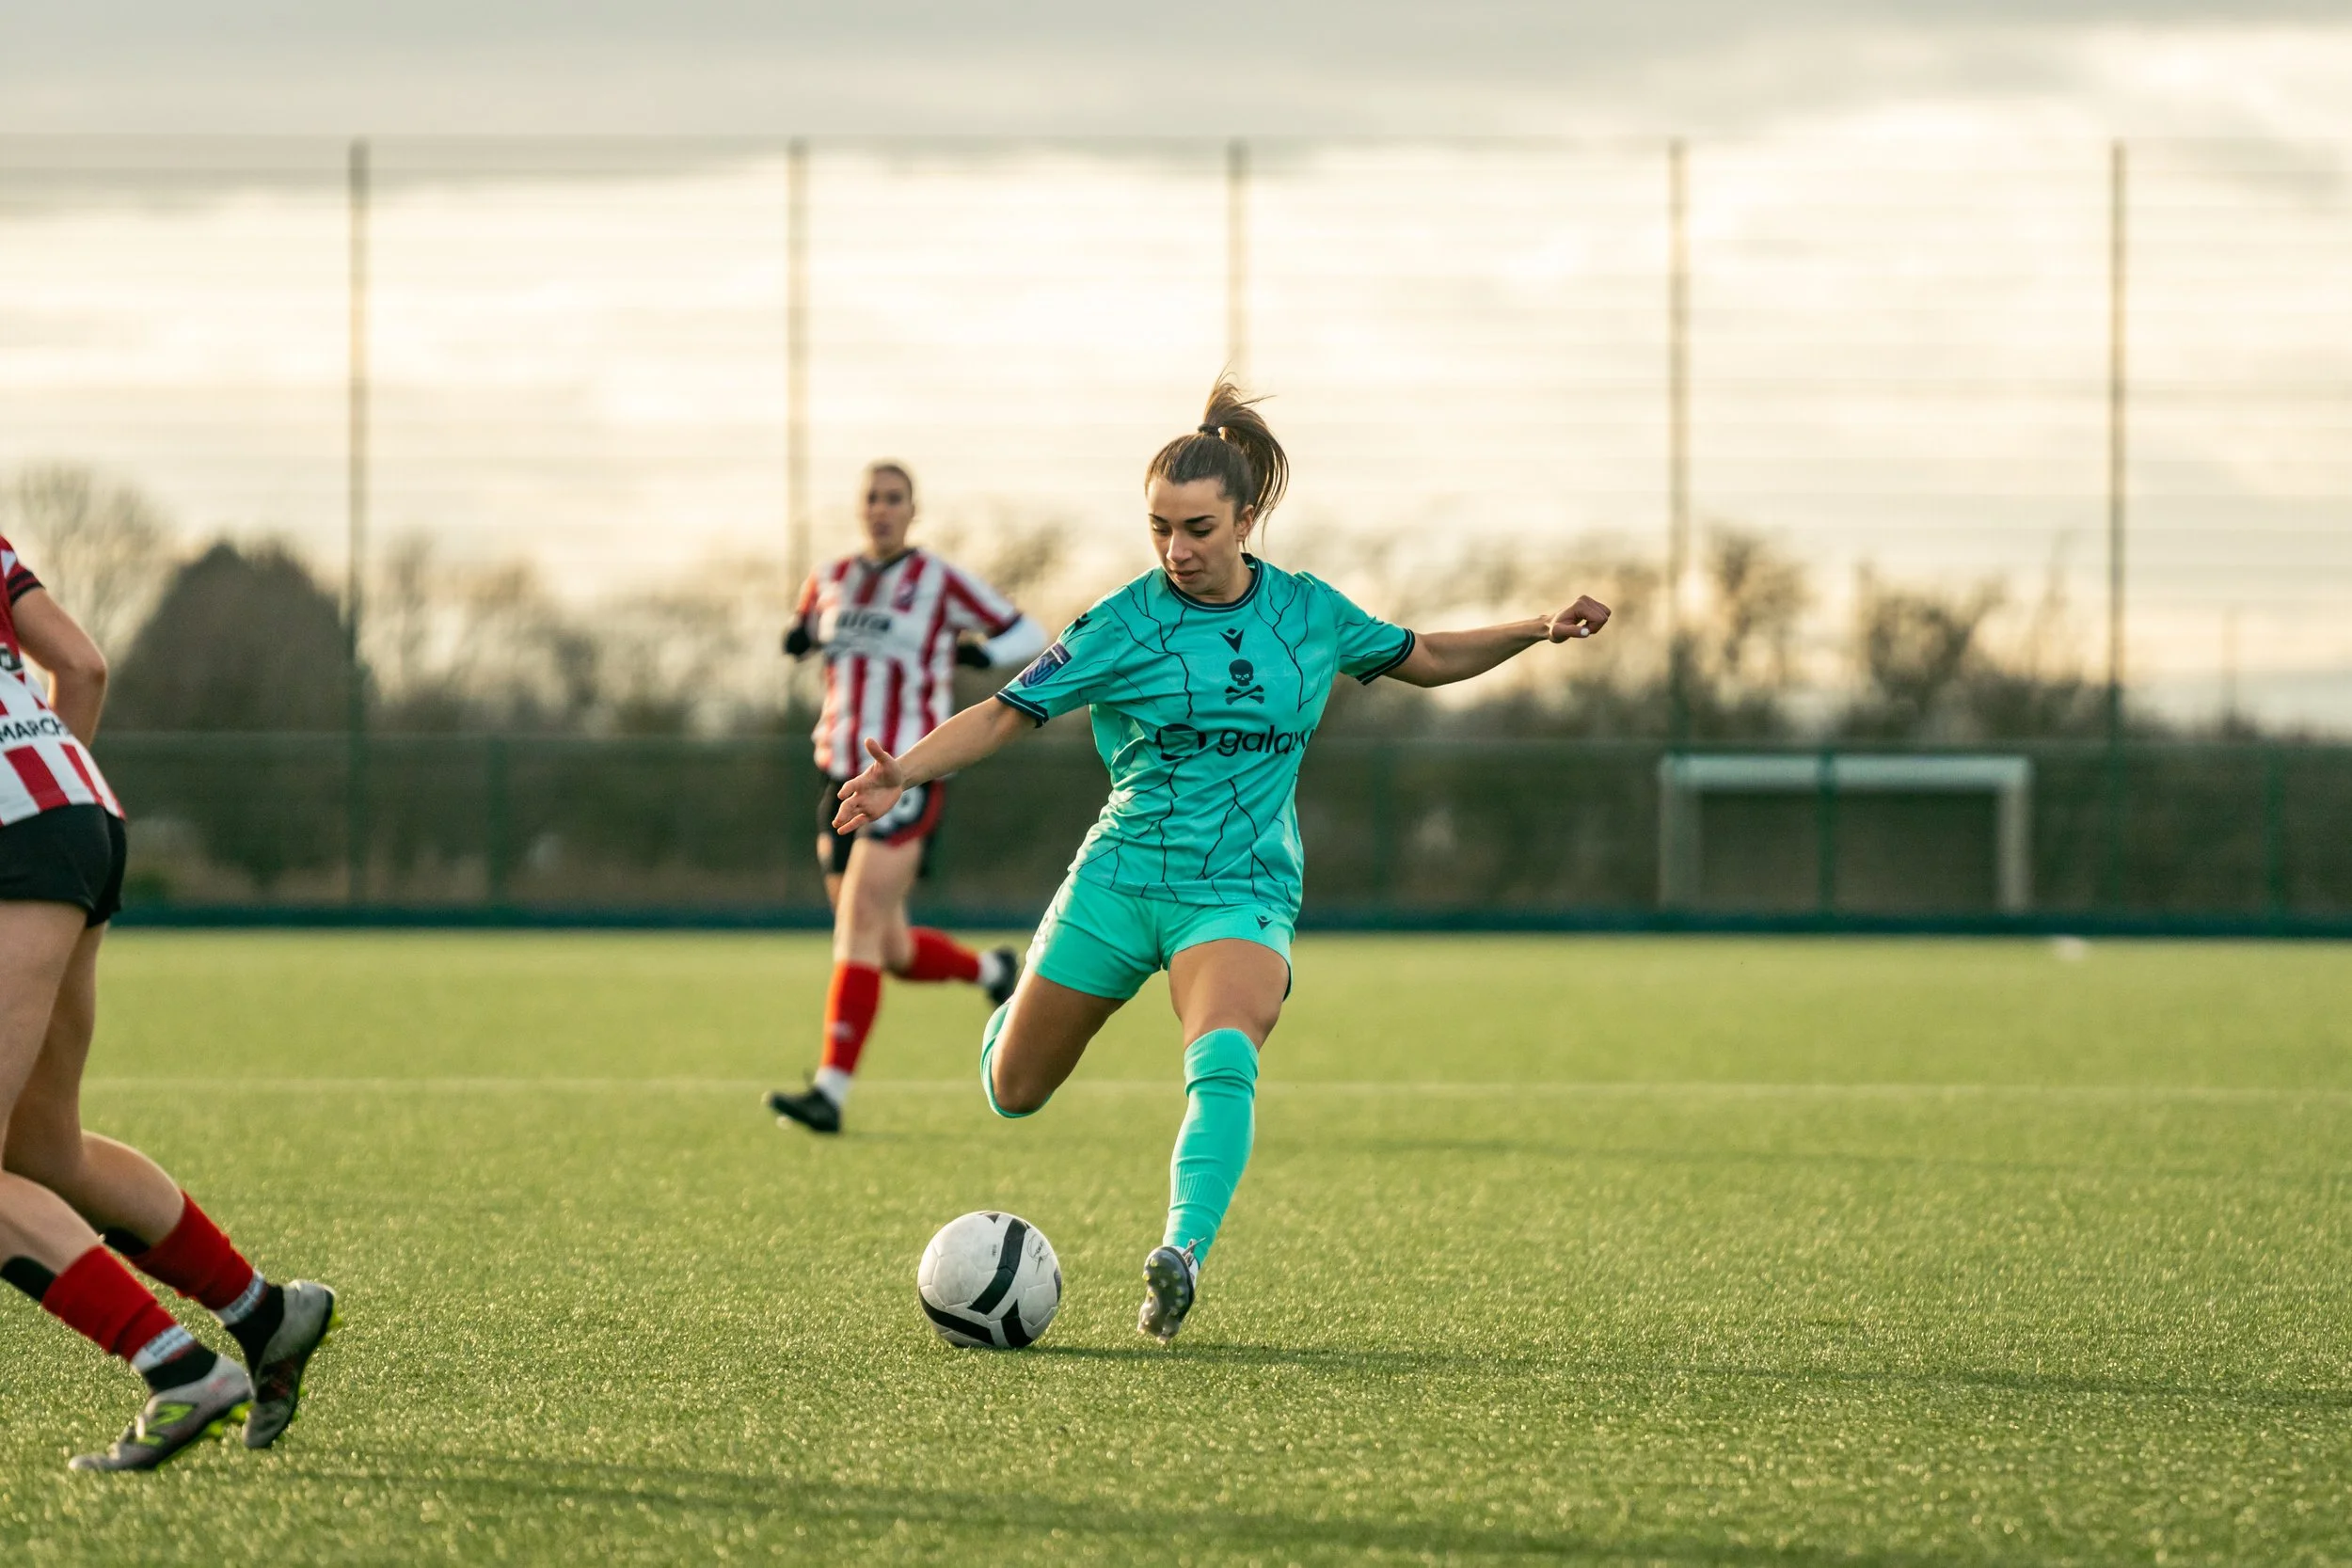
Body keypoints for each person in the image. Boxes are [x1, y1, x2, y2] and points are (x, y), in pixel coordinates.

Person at [831, 382, 1611, 1342]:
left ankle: (1180, 1254)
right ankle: (1010, 987)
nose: (1176, 549)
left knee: (1227, 1050)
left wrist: (1536, 628)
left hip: (1238, 890)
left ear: (1247, 518)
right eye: (1159, 527)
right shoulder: (1122, 622)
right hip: (1119, 879)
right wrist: (899, 772)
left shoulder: (1306, 613)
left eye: (1197, 527)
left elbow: (1425, 655)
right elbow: (1003, 712)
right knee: (1012, 1089)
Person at [0, 535, 336, 1471]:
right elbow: (82, 665)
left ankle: (179, 1367)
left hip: (16, 842)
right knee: (38, 1148)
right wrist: (47, 802)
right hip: (80, 807)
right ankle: (265, 1313)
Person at [767, 461, 1049, 1134]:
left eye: (895, 498)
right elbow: (805, 627)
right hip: (834, 771)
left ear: (912, 509)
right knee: (882, 944)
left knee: (859, 921)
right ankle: (991, 967)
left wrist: (978, 655)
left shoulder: (939, 580)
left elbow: (1028, 632)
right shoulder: (831, 576)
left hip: (901, 773)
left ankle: (830, 1091)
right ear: (860, 507)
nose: (882, 509)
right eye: (872, 497)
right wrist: (799, 635)